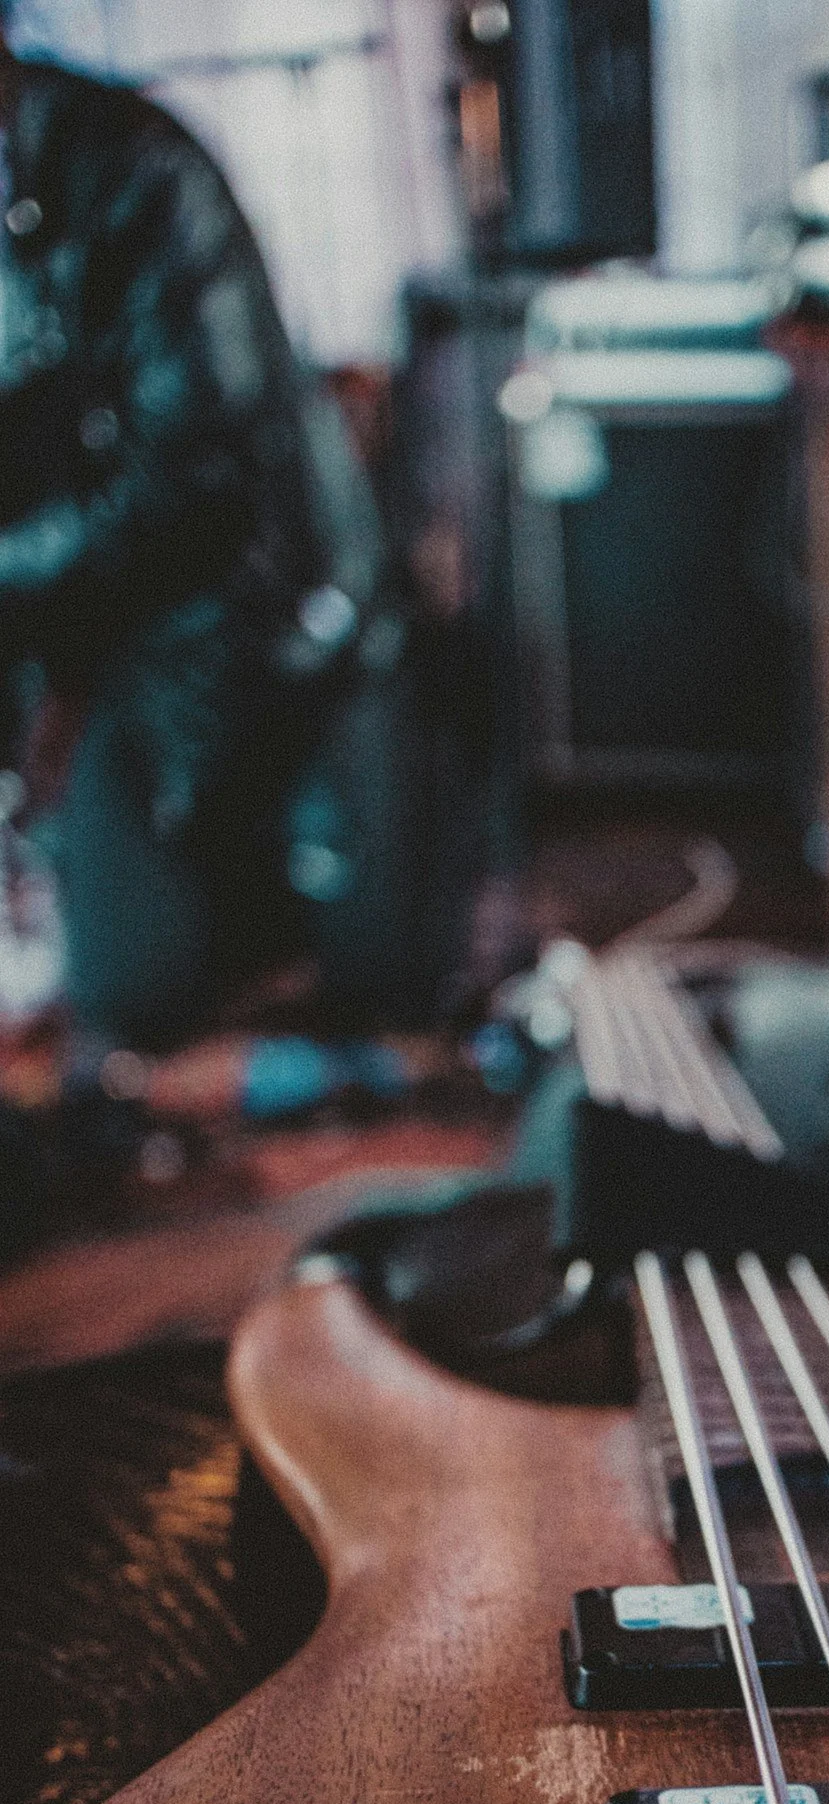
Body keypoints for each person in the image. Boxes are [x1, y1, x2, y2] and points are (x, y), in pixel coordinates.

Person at [0, 11, 397, 1048]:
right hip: (64, 646)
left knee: (142, 996)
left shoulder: (133, 171)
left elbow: (196, 483)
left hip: (228, 648)